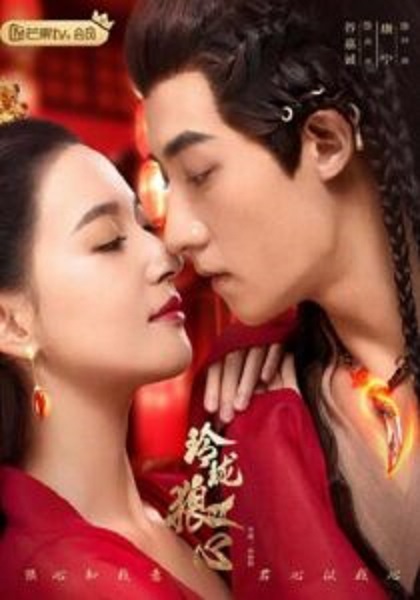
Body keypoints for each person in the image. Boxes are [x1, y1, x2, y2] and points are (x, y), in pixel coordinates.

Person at [125, 0, 420, 598]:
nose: (174, 234)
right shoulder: (242, 407)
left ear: (326, 141)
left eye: (200, 173)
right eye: (167, 180)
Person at [0, 103, 282, 598]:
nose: (165, 255)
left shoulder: (179, 506)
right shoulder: (52, 577)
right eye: (109, 241)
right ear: (11, 323)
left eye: (145, 226)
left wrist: (276, 337)